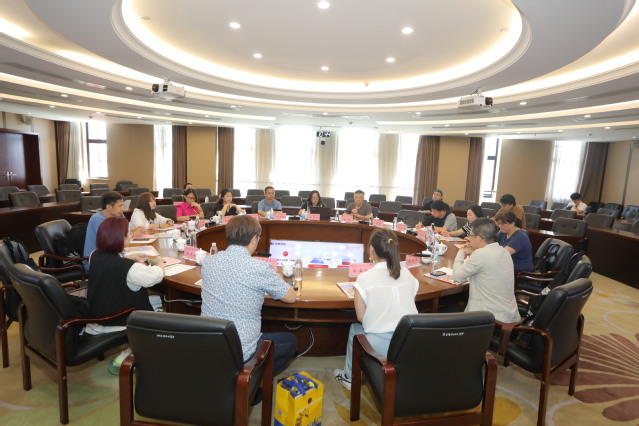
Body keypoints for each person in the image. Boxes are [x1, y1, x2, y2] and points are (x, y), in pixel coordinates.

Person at [200, 215, 297, 374]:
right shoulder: (259, 268)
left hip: (209, 344)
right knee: (291, 342)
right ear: (254, 239)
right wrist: (277, 279)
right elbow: (291, 297)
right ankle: (251, 379)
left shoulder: (208, 262)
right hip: (242, 352)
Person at [334, 228, 418, 390]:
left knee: (355, 329)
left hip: (382, 346)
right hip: (410, 341)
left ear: (371, 249)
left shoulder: (364, 278)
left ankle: (349, 377)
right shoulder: (407, 274)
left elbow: (361, 317)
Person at [86, 217, 165, 374]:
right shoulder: (131, 269)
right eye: (129, 233)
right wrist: (159, 263)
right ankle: (131, 355)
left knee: (154, 300)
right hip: (116, 320)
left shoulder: (94, 255)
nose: (132, 235)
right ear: (119, 238)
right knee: (161, 308)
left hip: (95, 316)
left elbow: (113, 263)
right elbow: (155, 276)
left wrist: (130, 257)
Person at [452, 218, 520, 323]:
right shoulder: (504, 252)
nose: (469, 239)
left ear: (478, 238)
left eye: (470, 235)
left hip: (489, 319)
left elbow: (457, 277)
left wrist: (461, 251)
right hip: (509, 315)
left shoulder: (480, 254)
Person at [83, 191, 137, 269]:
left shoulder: (115, 217)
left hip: (109, 257)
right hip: (95, 262)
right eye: (120, 206)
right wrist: (134, 233)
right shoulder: (98, 219)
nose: (122, 209)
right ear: (109, 207)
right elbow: (115, 241)